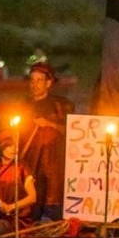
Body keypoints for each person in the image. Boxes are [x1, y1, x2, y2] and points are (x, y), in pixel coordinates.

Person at [21, 62, 74, 221]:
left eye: (39, 80)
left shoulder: (62, 105)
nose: (34, 84)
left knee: (54, 204)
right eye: (32, 80)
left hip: (54, 161)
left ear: (48, 83)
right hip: (31, 161)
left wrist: (49, 124)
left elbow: (73, 131)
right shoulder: (24, 105)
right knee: (32, 206)